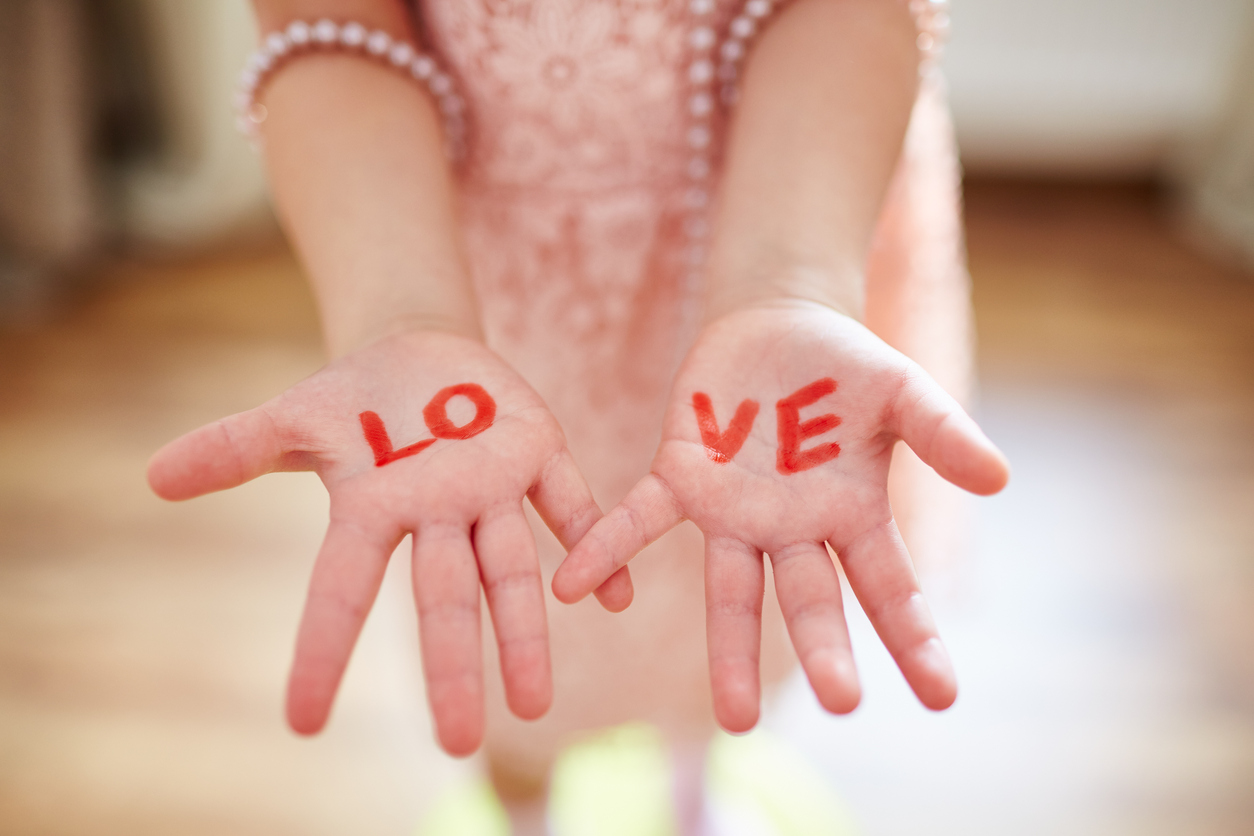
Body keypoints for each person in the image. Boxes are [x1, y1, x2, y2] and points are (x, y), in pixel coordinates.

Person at [147, 0, 1009, 832]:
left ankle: (694, 794)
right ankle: (526, 815)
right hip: (478, 280)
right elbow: (329, 25)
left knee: (736, 579)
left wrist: (788, 281)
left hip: (793, 206)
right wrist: (402, 316)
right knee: (508, 625)